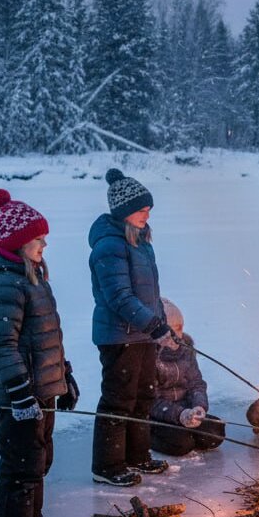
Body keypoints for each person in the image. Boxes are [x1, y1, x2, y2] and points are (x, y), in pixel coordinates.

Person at [0, 189, 79, 517]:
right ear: (19, 242)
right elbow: (0, 345)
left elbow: (46, 337)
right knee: (20, 463)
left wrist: (62, 378)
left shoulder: (32, 276)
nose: (45, 244)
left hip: (39, 390)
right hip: (18, 395)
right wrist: (19, 393)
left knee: (38, 458)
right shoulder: (3, 282)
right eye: (38, 239)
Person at [89, 169, 171, 487]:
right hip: (118, 336)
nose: (146, 214)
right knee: (118, 400)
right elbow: (119, 297)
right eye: (140, 209)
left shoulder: (141, 243)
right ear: (124, 213)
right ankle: (107, 465)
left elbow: (151, 294)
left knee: (143, 396)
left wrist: (162, 325)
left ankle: (138, 456)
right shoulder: (110, 246)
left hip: (143, 335)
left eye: (148, 209)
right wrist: (151, 324)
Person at [149, 298, 226, 455]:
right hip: (159, 416)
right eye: (169, 330)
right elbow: (150, 400)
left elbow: (196, 384)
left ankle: (186, 431)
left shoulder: (186, 350)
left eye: (179, 328)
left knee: (215, 432)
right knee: (182, 444)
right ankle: (149, 436)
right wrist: (179, 414)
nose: (176, 335)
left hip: (186, 410)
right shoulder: (150, 356)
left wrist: (198, 407)